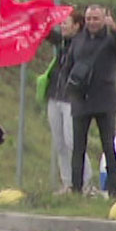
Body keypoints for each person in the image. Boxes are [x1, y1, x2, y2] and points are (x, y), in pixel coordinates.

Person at [65, 3, 116, 198]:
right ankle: (76, 190)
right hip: (81, 100)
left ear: (103, 19)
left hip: (104, 101)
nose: (92, 22)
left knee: (108, 147)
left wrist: (115, 28)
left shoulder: (110, 40)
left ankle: (113, 191)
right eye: (89, 19)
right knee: (78, 148)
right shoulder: (78, 40)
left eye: (96, 19)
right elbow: (68, 65)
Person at [43, 11, 87, 192]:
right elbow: (45, 33)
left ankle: (84, 181)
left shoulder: (82, 44)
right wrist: (26, 10)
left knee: (72, 141)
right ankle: (67, 182)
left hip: (71, 100)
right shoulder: (61, 42)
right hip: (55, 96)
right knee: (59, 143)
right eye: (61, 23)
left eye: (66, 23)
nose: (62, 26)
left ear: (77, 26)